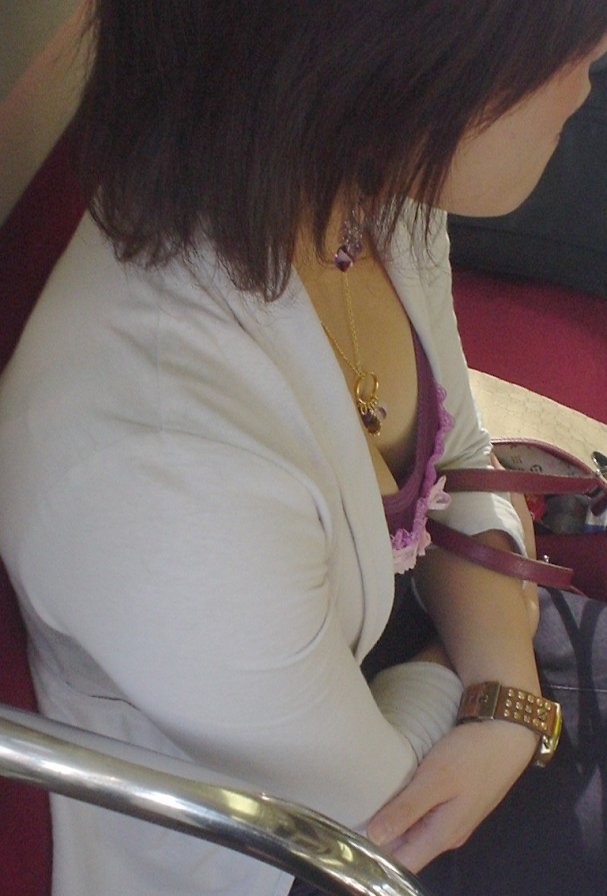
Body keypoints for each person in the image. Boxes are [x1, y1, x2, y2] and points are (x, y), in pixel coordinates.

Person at [1, 3, 607, 895]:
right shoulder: (162, 466)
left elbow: (455, 456)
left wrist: (504, 690)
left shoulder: (356, 197)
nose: (591, 60)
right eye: (555, 34)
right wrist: (491, 683)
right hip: (305, 848)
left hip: (425, 663)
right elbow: (372, 816)